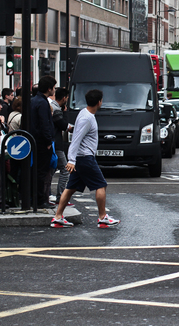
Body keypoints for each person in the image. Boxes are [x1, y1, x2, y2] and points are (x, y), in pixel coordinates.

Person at [51, 89, 119, 228]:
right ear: (99, 102)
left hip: (81, 158)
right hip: (85, 158)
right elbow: (76, 139)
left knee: (70, 188)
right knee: (101, 185)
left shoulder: (84, 113)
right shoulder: (86, 118)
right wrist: (71, 160)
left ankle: (58, 217)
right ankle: (102, 217)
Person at [30, 75, 56, 208]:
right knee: (42, 172)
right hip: (41, 142)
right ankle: (40, 200)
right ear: (49, 88)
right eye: (54, 87)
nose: (55, 90)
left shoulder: (34, 100)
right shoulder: (42, 102)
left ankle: (35, 198)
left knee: (36, 171)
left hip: (34, 140)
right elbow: (44, 124)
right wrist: (48, 141)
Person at [51, 87, 74, 205]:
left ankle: (47, 194)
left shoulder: (53, 107)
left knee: (51, 170)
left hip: (52, 143)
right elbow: (64, 126)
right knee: (65, 170)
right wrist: (65, 113)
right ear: (64, 98)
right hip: (56, 145)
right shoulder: (56, 110)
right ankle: (60, 198)